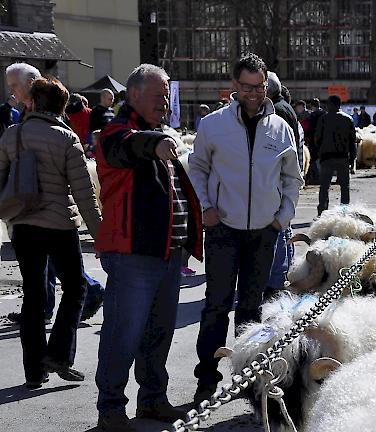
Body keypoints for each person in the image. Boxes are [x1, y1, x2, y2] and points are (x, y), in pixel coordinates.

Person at [188, 53, 303, 406]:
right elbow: (197, 169)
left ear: (266, 85)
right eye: (247, 87)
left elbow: (292, 177)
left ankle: (248, 379)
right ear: (234, 86)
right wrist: (207, 207)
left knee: (252, 309)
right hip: (223, 228)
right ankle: (207, 377)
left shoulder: (280, 127)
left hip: (263, 232)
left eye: (260, 86)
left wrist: (281, 219)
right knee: (216, 306)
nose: (254, 93)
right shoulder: (213, 125)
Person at [94, 64, 203, 431]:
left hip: (167, 254)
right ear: (135, 94)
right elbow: (126, 147)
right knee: (122, 335)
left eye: (166, 96)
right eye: (158, 96)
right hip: (132, 255)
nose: (165, 103)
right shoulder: (115, 132)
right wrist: (154, 144)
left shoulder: (159, 133)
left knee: (158, 335)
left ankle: (153, 401)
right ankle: (110, 409)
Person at [0, 77, 102, 389]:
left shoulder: (12, 135)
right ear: (61, 107)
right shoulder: (67, 138)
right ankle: (58, 354)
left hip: (23, 224)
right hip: (59, 225)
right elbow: (84, 192)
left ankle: (33, 370)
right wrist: (101, 235)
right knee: (74, 289)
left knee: (33, 295)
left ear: (31, 103)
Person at [265, 72, 303, 297]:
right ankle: (283, 273)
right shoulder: (286, 108)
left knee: (279, 228)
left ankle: (277, 281)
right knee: (284, 226)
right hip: (285, 176)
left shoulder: (277, 112)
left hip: (278, 178)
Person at [314, 95, 356, 215]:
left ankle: (322, 211)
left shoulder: (323, 119)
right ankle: (344, 212)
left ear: (330, 105)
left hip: (326, 157)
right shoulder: (348, 119)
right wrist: (352, 158)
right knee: (344, 186)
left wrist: (319, 151)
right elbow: (352, 141)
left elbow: (317, 138)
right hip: (342, 157)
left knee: (324, 186)